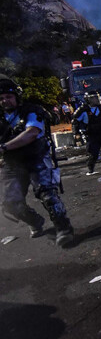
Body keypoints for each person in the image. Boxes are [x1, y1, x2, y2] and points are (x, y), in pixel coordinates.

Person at [0, 76, 74, 247]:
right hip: (12, 164)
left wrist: (4, 147)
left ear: (17, 97)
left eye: (8, 97)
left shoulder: (31, 111)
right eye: (1, 98)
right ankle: (35, 221)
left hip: (36, 159)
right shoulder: (2, 118)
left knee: (48, 195)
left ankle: (64, 228)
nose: (5, 101)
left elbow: (31, 133)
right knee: (10, 202)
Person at [72, 91, 101, 175]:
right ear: (88, 99)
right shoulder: (83, 109)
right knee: (94, 154)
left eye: (97, 97)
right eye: (94, 98)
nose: (96, 99)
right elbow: (75, 122)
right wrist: (76, 133)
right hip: (91, 135)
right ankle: (91, 168)